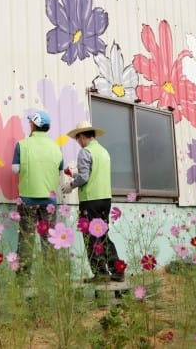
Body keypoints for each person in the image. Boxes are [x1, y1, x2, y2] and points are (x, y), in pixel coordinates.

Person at [62, 121, 123, 283]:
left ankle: (100, 273)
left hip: (90, 200)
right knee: (103, 235)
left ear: (82, 136)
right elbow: (93, 174)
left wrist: (71, 184)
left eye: (77, 139)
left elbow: (84, 177)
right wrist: (77, 176)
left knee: (91, 238)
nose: (78, 142)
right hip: (105, 199)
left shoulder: (85, 152)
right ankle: (117, 270)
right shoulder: (104, 152)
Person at [11, 110, 63, 281]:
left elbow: (15, 169)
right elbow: (60, 171)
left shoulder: (22, 145)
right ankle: (51, 278)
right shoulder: (56, 147)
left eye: (30, 123)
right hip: (49, 201)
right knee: (49, 240)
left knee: (26, 240)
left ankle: (23, 280)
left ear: (33, 125)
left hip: (27, 199)